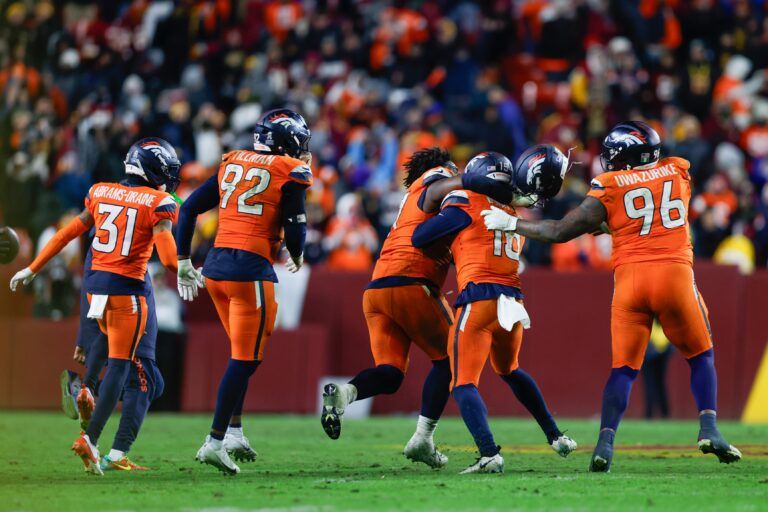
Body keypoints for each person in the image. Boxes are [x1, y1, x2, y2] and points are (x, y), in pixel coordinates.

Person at [481, 121, 742, 471]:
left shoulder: (610, 185)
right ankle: (709, 428)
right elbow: (645, 212)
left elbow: (561, 231)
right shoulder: (678, 172)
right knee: (700, 356)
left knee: (623, 370)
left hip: (630, 282)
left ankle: (604, 444)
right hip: (674, 275)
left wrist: (511, 222)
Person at [320, 147, 516, 468]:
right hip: (412, 282)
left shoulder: (413, 201)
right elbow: (439, 189)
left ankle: (345, 395)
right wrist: (471, 179)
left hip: (378, 290)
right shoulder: (435, 179)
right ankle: (423, 439)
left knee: (391, 374)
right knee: (453, 360)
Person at [10, 137, 194, 475]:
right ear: (153, 170)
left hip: (95, 288)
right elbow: (168, 254)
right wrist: (186, 269)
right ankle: (91, 438)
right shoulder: (159, 201)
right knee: (123, 368)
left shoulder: (100, 191)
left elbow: (67, 234)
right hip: (129, 289)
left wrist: (32, 268)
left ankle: (88, 388)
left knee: (119, 362)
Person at [410, 150, 576, 474]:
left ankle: (489, 454)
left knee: (462, 383)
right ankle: (556, 436)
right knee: (510, 370)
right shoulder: (511, 211)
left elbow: (420, 238)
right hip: (513, 302)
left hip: (480, 298)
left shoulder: (467, 203)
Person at [175, 108, 312, 475]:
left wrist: (184, 260)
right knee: (246, 359)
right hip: (249, 268)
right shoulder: (289, 169)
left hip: (215, 268)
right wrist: (297, 253)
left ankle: (233, 431)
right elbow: (295, 222)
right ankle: (214, 441)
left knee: (243, 355)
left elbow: (187, 209)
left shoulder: (232, 160)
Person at [59, 234, 164, 471]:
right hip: (131, 295)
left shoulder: (107, 210)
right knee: (143, 381)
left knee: (154, 383)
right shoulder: (137, 205)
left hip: (116, 286)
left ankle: (86, 389)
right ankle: (117, 453)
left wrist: (85, 336)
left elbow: (90, 277)